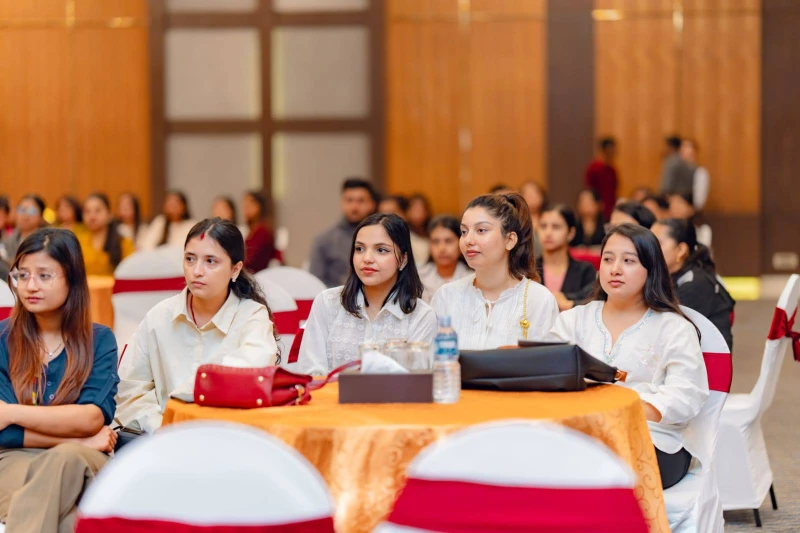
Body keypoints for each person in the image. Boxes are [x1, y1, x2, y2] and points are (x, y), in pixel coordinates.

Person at [548, 224, 709, 489]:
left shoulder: (673, 328)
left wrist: (622, 412)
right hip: (579, 432)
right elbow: (547, 375)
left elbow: (686, 394)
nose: (615, 269)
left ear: (651, 268)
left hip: (653, 441)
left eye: (628, 261)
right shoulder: (574, 321)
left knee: (596, 463)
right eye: (608, 259)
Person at [0, 228, 120, 532]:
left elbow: (91, 418)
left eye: (44, 276)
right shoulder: (3, 339)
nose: (30, 286)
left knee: (65, 458)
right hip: (15, 459)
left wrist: (11, 412)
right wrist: (75, 437)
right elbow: (3, 435)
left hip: (82, 458)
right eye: (22, 275)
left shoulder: (98, 340)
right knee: (67, 523)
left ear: (72, 279)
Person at [116, 218, 280, 433]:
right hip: (165, 441)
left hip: (230, 438)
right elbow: (130, 392)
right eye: (190, 259)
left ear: (235, 269)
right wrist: (163, 427)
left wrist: (184, 395)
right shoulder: (159, 317)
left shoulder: (252, 317)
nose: (197, 271)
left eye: (210, 261)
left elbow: (247, 374)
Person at [299, 213, 438, 375]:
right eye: (360, 249)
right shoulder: (328, 302)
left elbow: (416, 381)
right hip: (331, 392)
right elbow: (310, 372)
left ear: (403, 260)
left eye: (381, 250)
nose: (367, 258)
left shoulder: (421, 317)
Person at [432, 194, 559, 350]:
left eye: (481, 230)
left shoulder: (539, 300)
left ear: (510, 240)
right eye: (464, 232)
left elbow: (547, 361)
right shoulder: (446, 296)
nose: (468, 240)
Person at [652, 218, 734, 350]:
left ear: (681, 250)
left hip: (705, 359)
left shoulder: (695, 285)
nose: (650, 249)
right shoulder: (671, 276)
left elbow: (666, 334)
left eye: (658, 243)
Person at [309, 178, 378, 288]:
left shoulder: (383, 237)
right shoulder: (324, 240)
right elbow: (315, 283)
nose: (354, 207)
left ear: (372, 204)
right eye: (349, 200)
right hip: (338, 295)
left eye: (361, 201)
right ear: (342, 202)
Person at [536, 205, 597, 311]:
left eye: (556, 227)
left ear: (571, 233)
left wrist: (567, 303)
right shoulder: (527, 269)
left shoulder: (585, 271)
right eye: (543, 226)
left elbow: (592, 306)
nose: (548, 233)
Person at [418, 215, 472, 303]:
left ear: (461, 243)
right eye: (435, 241)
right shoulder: (418, 278)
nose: (441, 248)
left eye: (448, 241)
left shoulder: (473, 278)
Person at [78, 194, 134, 277]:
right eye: (87, 211)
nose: (92, 216)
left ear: (109, 214)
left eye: (98, 211)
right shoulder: (77, 241)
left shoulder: (124, 243)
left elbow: (130, 272)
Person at [379, 194, 430, 265]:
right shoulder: (372, 241)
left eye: (392, 213)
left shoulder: (420, 245)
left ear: (405, 214)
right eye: (381, 214)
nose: (385, 219)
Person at [1, 195, 47, 265]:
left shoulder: (47, 241)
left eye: (31, 211)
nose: (25, 215)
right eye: (21, 210)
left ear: (41, 215)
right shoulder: (6, 242)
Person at [242, 190, 277, 273]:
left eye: (249, 205)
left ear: (258, 206)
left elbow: (251, 261)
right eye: (245, 206)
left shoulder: (262, 231)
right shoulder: (253, 230)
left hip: (257, 275)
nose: (245, 209)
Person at [585, 137, 619, 221]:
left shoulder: (612, 170)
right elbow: (590, 189)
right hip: (597, 208)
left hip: (610, 208)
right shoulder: (594, 168)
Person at [680, 138, 710, 211]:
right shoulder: (678, 170)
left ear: (694, 151)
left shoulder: (700, 172)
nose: (683, 149)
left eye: (687, 146)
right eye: (682, 146)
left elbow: (698, 202)